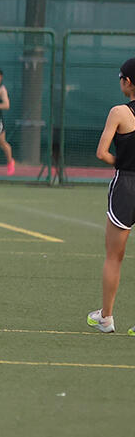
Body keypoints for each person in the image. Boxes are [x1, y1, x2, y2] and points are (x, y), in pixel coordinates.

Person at [89, 57, 135, 334]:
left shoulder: (119, 112)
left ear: (127, 82)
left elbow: (102, 153)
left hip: (126, 186)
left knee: (114, 256)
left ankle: (106, 317)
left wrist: (119, 162)